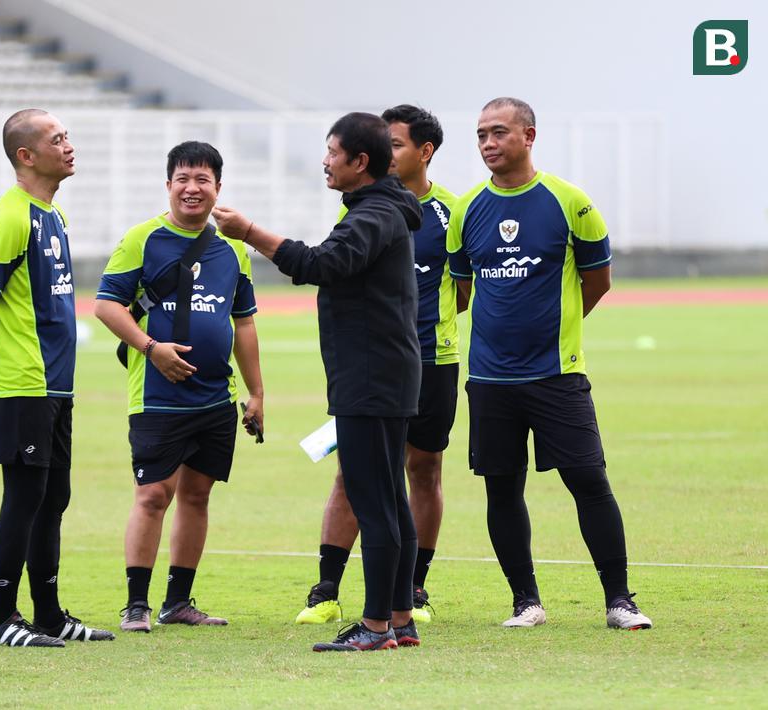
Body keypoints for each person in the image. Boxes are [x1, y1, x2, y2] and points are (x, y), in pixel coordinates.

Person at [213, 112, 423, 652]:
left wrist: (250, 232)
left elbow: (318, 264)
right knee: (391, 499)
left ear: (360, 162)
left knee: (373, 501)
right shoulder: (379, 210)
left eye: (333, 152)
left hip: (371, 378)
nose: (325, 161)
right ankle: (399, 618)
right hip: (382, 375)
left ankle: (377, 627)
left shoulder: (374, 214)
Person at [446, 97, 652, 630]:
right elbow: (464, 287)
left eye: (499, 133)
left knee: (588, 480)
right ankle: (526, 602)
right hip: (490, 379)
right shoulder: (467, 210)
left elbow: (598, 278)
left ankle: (619, 601)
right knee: (502, 489)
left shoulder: (570, 202)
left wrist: (560, 326)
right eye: (481, 136)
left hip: (558, 375)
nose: (488, 144)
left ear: (528, 136)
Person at [294, 105, 464, 627]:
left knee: (405, 479)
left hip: (405, 362)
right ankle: (341, 594)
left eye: (398, 143)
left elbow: (324, 266)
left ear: (423, 151)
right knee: (370, 480)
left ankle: (395, 605)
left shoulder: (439, 211)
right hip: (389, 363)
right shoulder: (364, 209)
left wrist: (252, 232)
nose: (392, 152)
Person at [96, 141, 265, 632]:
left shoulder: (233, 248)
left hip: (214, 396)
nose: (193, 189)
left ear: (217, 188)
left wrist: (256, 393)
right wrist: (153, 349)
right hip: (156, 395)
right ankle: (136, 605)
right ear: (168, 184)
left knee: (197, 496)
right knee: (152, 495)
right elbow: (108, 305)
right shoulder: (142, 239)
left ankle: (178, 603)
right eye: (183, 179)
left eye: (203, 180)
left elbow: (245, 323)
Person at [0, 109, 113, 647]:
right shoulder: (10, 216)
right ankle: (1, 618)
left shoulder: (54, 215)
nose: (69, 145)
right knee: (24, 500)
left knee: (53, 499)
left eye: (68, 135)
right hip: (19, 381)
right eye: (57, 139)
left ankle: (48, 615)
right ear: (26, 156)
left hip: (55, 383)